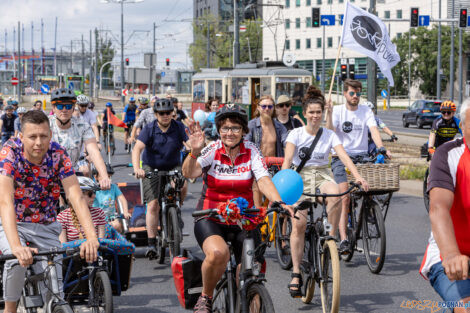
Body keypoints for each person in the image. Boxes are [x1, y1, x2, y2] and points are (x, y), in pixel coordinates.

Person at [182, 103, 293, 313]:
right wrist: (194, 153)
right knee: (218, 253)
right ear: (218, 130)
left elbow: (263, 180)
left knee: (251, 270)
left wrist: (278, 202)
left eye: (235, 128)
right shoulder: (212, 149)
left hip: (244, 219)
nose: (230, 133)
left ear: (243, 130)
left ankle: (252, 298)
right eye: (225, 128)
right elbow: (190, 173)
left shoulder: (251, 150)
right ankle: (205, 297)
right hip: (211, 217)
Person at [0, 110, 99, 313]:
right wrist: (17, 246)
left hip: (46, 224)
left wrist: (91, 237)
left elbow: (76, 196)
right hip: (13, 224)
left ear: (50, 135)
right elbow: (5, 201)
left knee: (54, 289)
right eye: (32, 136)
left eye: (43, 136)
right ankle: (9, 309)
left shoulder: (58, 154)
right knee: (15, 261)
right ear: (21, 136)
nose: (38, 142)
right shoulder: (9, 153)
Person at [282, 85, 369, 297]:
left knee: (336, 195)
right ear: (305, 113)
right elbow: (286, 162)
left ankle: (330, 239)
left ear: (323, 113)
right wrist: (283, 188)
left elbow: (344, 156)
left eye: (318, 112)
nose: (315, 116)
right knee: (298, 224)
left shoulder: (329, 134)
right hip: (299, 177)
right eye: (311, 112)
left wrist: (357, 176)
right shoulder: (296, 134)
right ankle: (296, 273)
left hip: (322, 174)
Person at [325, 79, 390, 253]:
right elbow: (329, 131)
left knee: (370, 189)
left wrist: (381, 148)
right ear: (345, 93)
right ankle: (344, 238)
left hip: (362, 156)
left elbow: (374, 130)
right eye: (352, 93)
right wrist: (329, 113)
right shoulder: (338, 110)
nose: (355, 96)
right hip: (340, 156)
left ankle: (369, 211)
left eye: (358, 93)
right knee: (344, 196)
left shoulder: (366, 110)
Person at [419, 99, 470, 313]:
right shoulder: (449, 154)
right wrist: (450, 254)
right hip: (449, 256)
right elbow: (438, 208)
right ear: (464, 126)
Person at [132, 98, 189, 258]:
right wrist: (138, 168)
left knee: (183, 185)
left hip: (173, 165)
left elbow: (189, 143)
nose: (165, 116)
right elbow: (137, 149)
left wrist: (194, 149)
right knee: (153, 205)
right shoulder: (149, 129)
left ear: (173, 113)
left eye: (168, 113)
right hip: (152, 167)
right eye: (162, 113)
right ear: (156, 114)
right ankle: (151, 243)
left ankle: (177, 206)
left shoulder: (178, 127)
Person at [48, 88, 110, 189]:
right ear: (53, 108)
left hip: (72, 174)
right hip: (49, 175)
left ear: (73, 108)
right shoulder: (45, 124)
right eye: (60, 106)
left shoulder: (82, 126)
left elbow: (94, 152)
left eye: (68, 106)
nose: (64, 110)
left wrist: (104, 176)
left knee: (83, 200)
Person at [246, 95, 287, 207]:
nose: (267, 109)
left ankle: (279, 222)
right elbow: (246, 144)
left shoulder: (279, 127)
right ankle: (258, 217)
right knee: (257, 189)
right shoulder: (251, 125)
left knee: (280, 204)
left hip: (275, 166)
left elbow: (287, 143)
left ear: (273, 108)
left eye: (270, 106)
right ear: (258, 108)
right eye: (264, 106)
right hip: (257, 167)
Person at [58, 176, 106, 242]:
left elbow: (101, 241)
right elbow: (63, 245)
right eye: (90, 194)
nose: (94, 196)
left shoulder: (99, 213)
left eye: (94, 193)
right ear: (78, 195)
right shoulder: (62, 217)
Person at [93, 164, 130, 233]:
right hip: (97, 218)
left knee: (117, 226)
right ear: (96, 177)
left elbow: (122, 199)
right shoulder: (94, 189)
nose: (107, 179)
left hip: (111, 217)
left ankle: (118, 242)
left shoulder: (113, 187)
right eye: (104, 177)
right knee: (99, 231)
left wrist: (125, 212)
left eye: (109, 177)